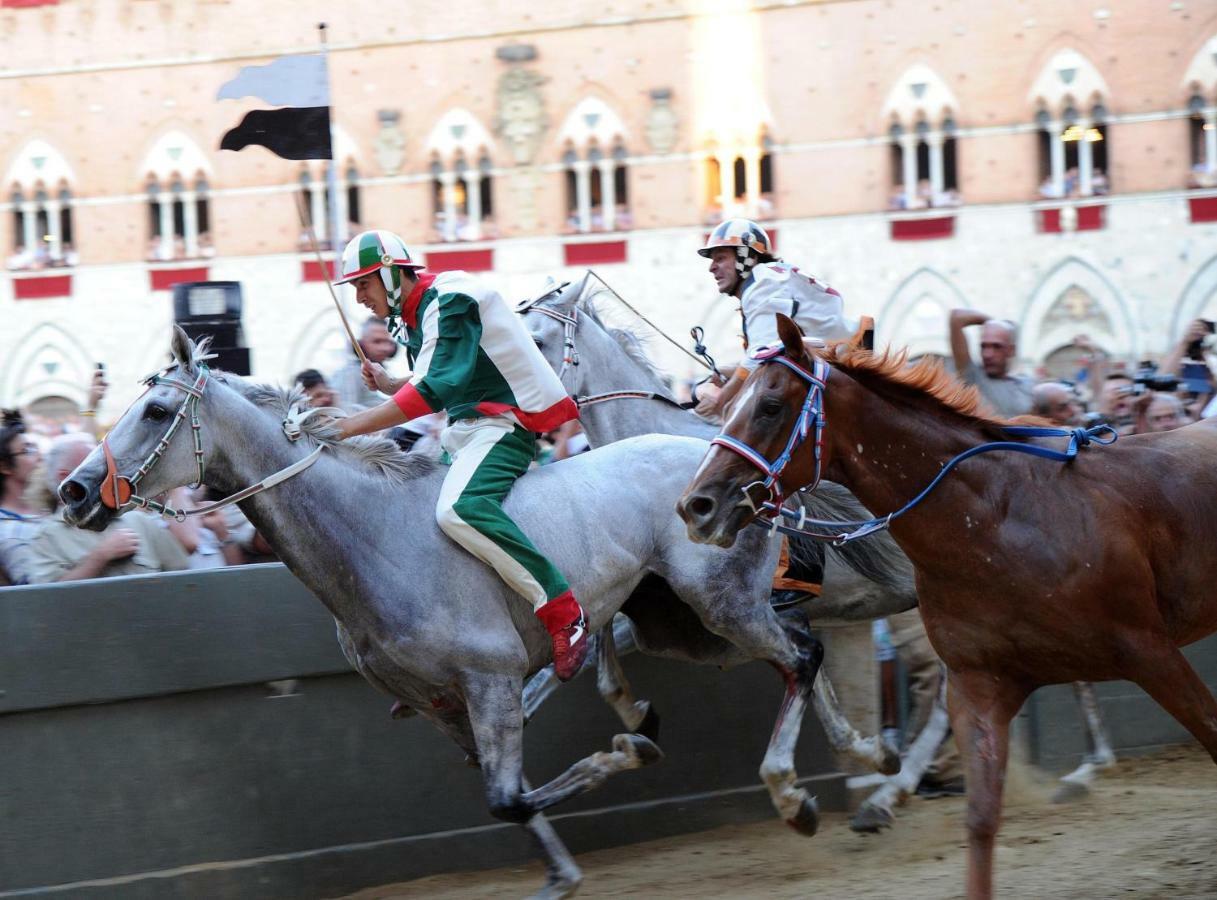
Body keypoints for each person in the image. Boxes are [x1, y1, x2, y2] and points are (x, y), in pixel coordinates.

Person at [330, 229, 588, 680]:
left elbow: (432, 392)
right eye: (354, 287)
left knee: (458, 511)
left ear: (390, 275)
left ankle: (564, 611)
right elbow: (429, 382)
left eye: (362, 284)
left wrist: (347, 428)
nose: (359, 298)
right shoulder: (415, 312)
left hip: (503, 426)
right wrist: (389, 384)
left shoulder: (450, 299)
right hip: (462, 431)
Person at [693, 218, 855, 420]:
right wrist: (730, 371)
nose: (712, 267)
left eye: (720, 258)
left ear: (746, 256)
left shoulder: (763, 282)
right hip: (836, 376)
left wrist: (720, 402)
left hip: (847, 378)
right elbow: (770, 356)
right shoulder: (768, 279)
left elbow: (763, 356)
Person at [26, 434, 189, 583]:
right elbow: (47, 599)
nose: (107, 471)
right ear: (64, 477)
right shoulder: (47, 538)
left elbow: (184, 576)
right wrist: (100, 557)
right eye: (93, 465)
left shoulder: (136, 519)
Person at [948, 310, 1034, 417]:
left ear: (1011, 350)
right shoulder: (973, 377)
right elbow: (956, 318)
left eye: (996, 346)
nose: (987, 354)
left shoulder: (1028, 385)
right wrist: (992, 322)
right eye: (983, 346)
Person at [0, 410, 46, 586]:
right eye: (27, 451)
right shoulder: (4, 531)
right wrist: (100, 556)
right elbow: (38, 593)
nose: (39, 457)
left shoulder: (50, 507)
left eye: (34, 448)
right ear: (4, 466)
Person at [330, 316, 400, 411]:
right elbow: (345, 412)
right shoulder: (349, 375)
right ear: (360, 345)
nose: (384, 348)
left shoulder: (389, 372)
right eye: (377, 341)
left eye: (388, 342)